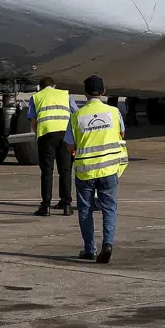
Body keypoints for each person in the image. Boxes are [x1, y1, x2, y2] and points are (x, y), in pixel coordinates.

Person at [71, 75, 128, 264]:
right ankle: (108, 244)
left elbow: (68, 145)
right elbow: (121, 134)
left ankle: (90, 249)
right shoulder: (114, 112)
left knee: (85, 210)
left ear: (85, 93)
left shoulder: (77, 116)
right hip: (109, 169)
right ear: (103, 92)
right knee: (109, 208)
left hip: (85, 170)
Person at [28, 76, 76, 216]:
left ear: (40, 87)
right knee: (65, 170)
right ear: (54, 86)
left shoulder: (36, 97)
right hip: (65, 135)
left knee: (47, 171)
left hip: (47, 135)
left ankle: (46, 206)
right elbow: (76, 112)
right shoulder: (65, 95)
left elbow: (33, 122)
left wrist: (38, 134)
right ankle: (67, 204)